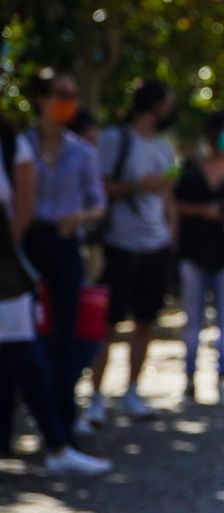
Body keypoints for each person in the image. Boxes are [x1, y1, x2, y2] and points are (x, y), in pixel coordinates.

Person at [0, 112, 110, 476]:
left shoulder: (13, 144)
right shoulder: (24, 142)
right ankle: (53, 441)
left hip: (21, 264)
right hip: (24, 256)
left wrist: (77, 218)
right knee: (20, 356)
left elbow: (23, 208)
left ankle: (59, 438)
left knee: (38, 349)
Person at [84, 79, 177, 425]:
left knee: (146, 321)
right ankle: (94, 397)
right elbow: (99, 187)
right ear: (152, 104)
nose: (170, 110)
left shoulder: (165, 147)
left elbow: (167, 194)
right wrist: (139, 186)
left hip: (156, 244)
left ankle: (132, 391)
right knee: (108, 323)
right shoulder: (115, 139)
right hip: (121, 243)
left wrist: (171, 235)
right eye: (167, 102)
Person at [21, 71, 107, 441]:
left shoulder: (83, 151)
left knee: (66, 334)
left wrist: (80, 218)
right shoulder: (20, 145)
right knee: (21, 335)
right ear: (42, 98)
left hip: (67, 244)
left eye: (73, 95)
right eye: (61, 94)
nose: (68, 102)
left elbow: (98, 203)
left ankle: (63, 424)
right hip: (25, 246)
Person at [173, 110, 224, 404]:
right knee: (192, 320)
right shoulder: (190, 168)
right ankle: (189, 379)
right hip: (194, 252)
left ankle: (222, 379)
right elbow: (174, 203)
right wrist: (203, 211)